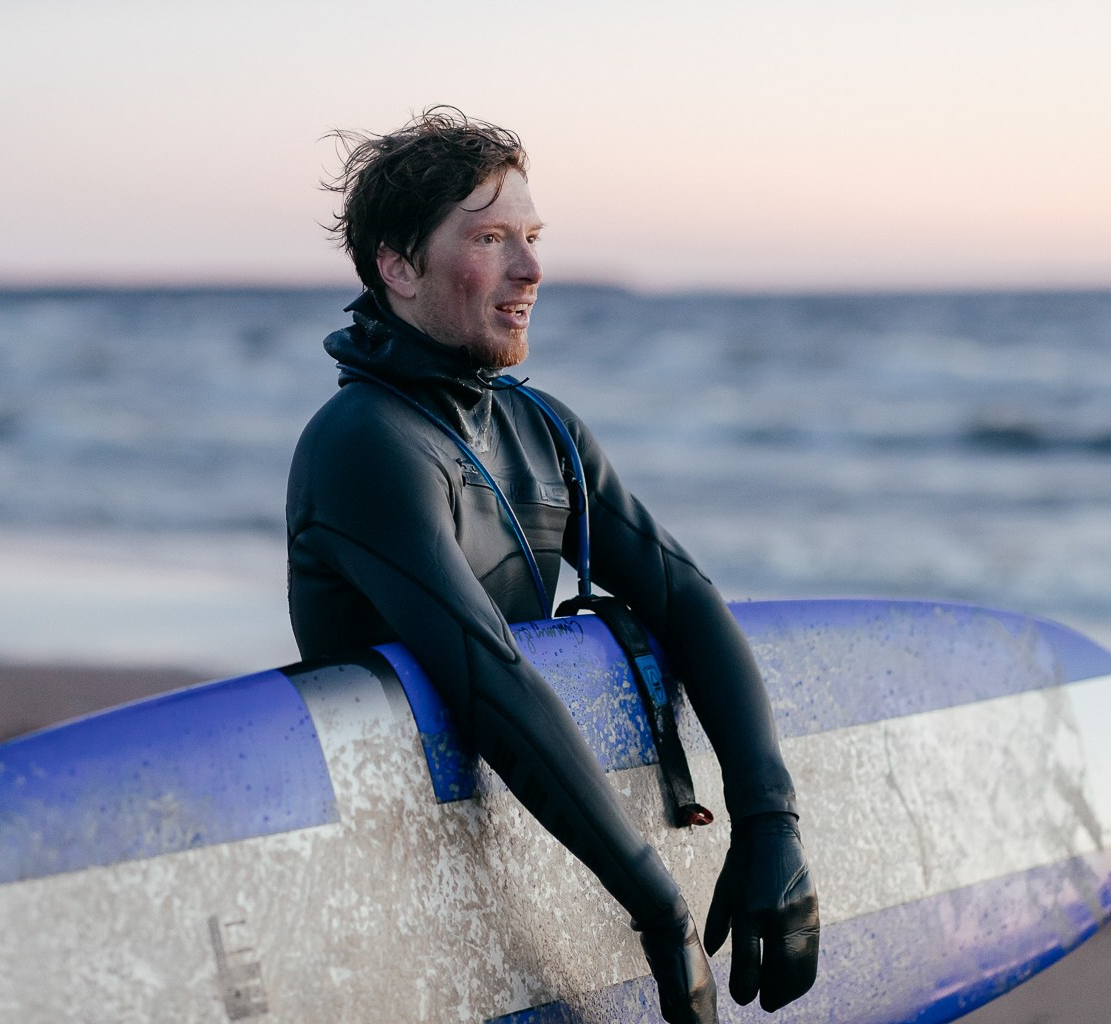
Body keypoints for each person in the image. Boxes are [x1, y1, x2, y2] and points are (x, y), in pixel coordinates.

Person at [285, 106, 818, 1023]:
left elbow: (684, 597)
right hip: (393, 895)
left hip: (534, 858)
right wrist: (661, 911)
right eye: (491, 238)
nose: (531, 270)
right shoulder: (363, 445)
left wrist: (770, 819)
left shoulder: (540, 429)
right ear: (398, 267)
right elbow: (484, 673)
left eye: (532, 238)